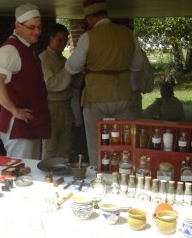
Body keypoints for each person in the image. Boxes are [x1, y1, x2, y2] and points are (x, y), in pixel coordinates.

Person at [65, 0, 144, 167]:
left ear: (90, 18)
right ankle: (122, 173)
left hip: (96, 96)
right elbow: (137, 65)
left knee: (95, 142)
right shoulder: (128, 33)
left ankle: (98, 175)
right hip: (123, 94)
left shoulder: (88, 37)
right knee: (123, 141)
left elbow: (72, 67)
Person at [0, 2, 51, 160]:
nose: (37, 32)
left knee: (30, 171)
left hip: (29, 127)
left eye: (39, 27)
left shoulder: (26, 48)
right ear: (18, 25)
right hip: (18, 129)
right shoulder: (10, 50)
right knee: (20, 173)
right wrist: (14, 110)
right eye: (31, 27)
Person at [39, 23, 73, 160]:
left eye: (65, 41)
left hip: (66, 105)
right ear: (51, 39)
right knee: (50, 146)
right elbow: (50, 84)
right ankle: (46, 178)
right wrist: (68, 70)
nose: (63, 44)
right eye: (59, 40)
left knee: (66, 147)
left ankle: (63, 177)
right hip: (51, 107)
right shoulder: (44, 58)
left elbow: (72, 82)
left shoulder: (63, 60)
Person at [129, 50, 154, 119]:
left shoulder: (113, 50)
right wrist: (148, 88)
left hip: (117, 94)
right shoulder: (139, 53)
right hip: (134, 93)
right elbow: (148, 72)